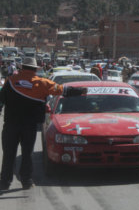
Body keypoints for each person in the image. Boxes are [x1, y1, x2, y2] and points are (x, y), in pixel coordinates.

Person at [0, 57, 87, 190]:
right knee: (27, 153)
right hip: (29, 126)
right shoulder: (42, 83)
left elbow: (1, 99)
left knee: (8, 154)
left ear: (21, 68)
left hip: (10, 124)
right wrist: (81, 91)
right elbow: (63, 90)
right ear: (35, 69)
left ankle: (5, 182)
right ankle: (26, 181)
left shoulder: (10, 81)